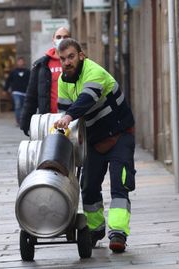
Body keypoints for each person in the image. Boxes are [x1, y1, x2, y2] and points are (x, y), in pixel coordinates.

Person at [53, 38, 136, 253]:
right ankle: (95, 229)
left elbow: (86, 99)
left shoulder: (94, 72)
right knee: (88, 188)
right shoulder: (63, 81)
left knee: (120, 183)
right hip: (94, 140)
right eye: (62, 59)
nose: (67, 62)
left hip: (120, 135)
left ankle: (118, 233)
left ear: (82, 55)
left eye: (71, 56)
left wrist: (69, 115)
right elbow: (64, 112)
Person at [19, 27, 71, 136]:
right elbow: (31, 96)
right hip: (48, 119)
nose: (62, 39)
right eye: (58, 37)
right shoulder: (41, 65)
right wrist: (26, 122)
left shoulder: (78, 63)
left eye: (65, 37)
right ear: (53, 40)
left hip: (72, 118)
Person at [3, 57, 30, 126]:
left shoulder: (28, 72)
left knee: (24, 107)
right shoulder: (13, 72)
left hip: (25, 92)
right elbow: (8, 81)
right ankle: (18, 121)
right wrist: (5, 89)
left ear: (24, 62)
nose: (20, 63)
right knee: (18, 106)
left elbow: (31, 82)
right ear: (17, 63)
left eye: (21, 61)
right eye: (19, 61)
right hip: (16, 92)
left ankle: (24, 120)